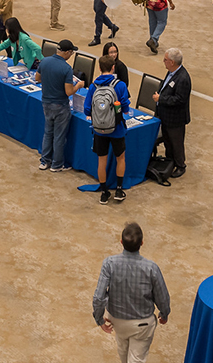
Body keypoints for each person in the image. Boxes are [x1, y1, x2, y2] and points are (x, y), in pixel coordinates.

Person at [92, 222, 170, 363]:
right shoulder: (151, 268)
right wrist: (164, 313)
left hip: (117, 321)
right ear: (142, 243)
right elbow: (162, 296)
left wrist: (99, 318)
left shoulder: (109, 264)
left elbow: (99, 297)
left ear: (121, 242)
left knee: (123, 353)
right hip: (142, 325)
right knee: (136, 359)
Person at [87, 55, 132, 204]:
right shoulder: (120, 85)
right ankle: (119, 190)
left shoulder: (93, 86)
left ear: (99, 68)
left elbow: (87, 109)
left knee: (102, 161)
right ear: (113, 68)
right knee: (121, 158)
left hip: (99, 129)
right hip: (117, 128)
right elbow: (125, 106)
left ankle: (104, 192)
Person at [33, 39, 83, 171]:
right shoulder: (66, 69)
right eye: (71, 53)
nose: (71, 56)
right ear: (66, 52)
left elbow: (37, 78)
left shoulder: (45, 61)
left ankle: (44, 161)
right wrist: (78, 85)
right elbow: (68, 92)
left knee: (48, 133)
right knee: (59, 136)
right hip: (60, 106)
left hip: (46, 103)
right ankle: (56, 165)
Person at [154, 48, 192, 178]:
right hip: (165, 115)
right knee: (168, 141)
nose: (163, 62)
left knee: (176, 143)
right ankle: (170, 162)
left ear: (171, 62)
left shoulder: (183, 78)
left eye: (165, 60)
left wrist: (161, 99)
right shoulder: (172, 72)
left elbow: (180, 100)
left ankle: (181, 165)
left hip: (175, 119)